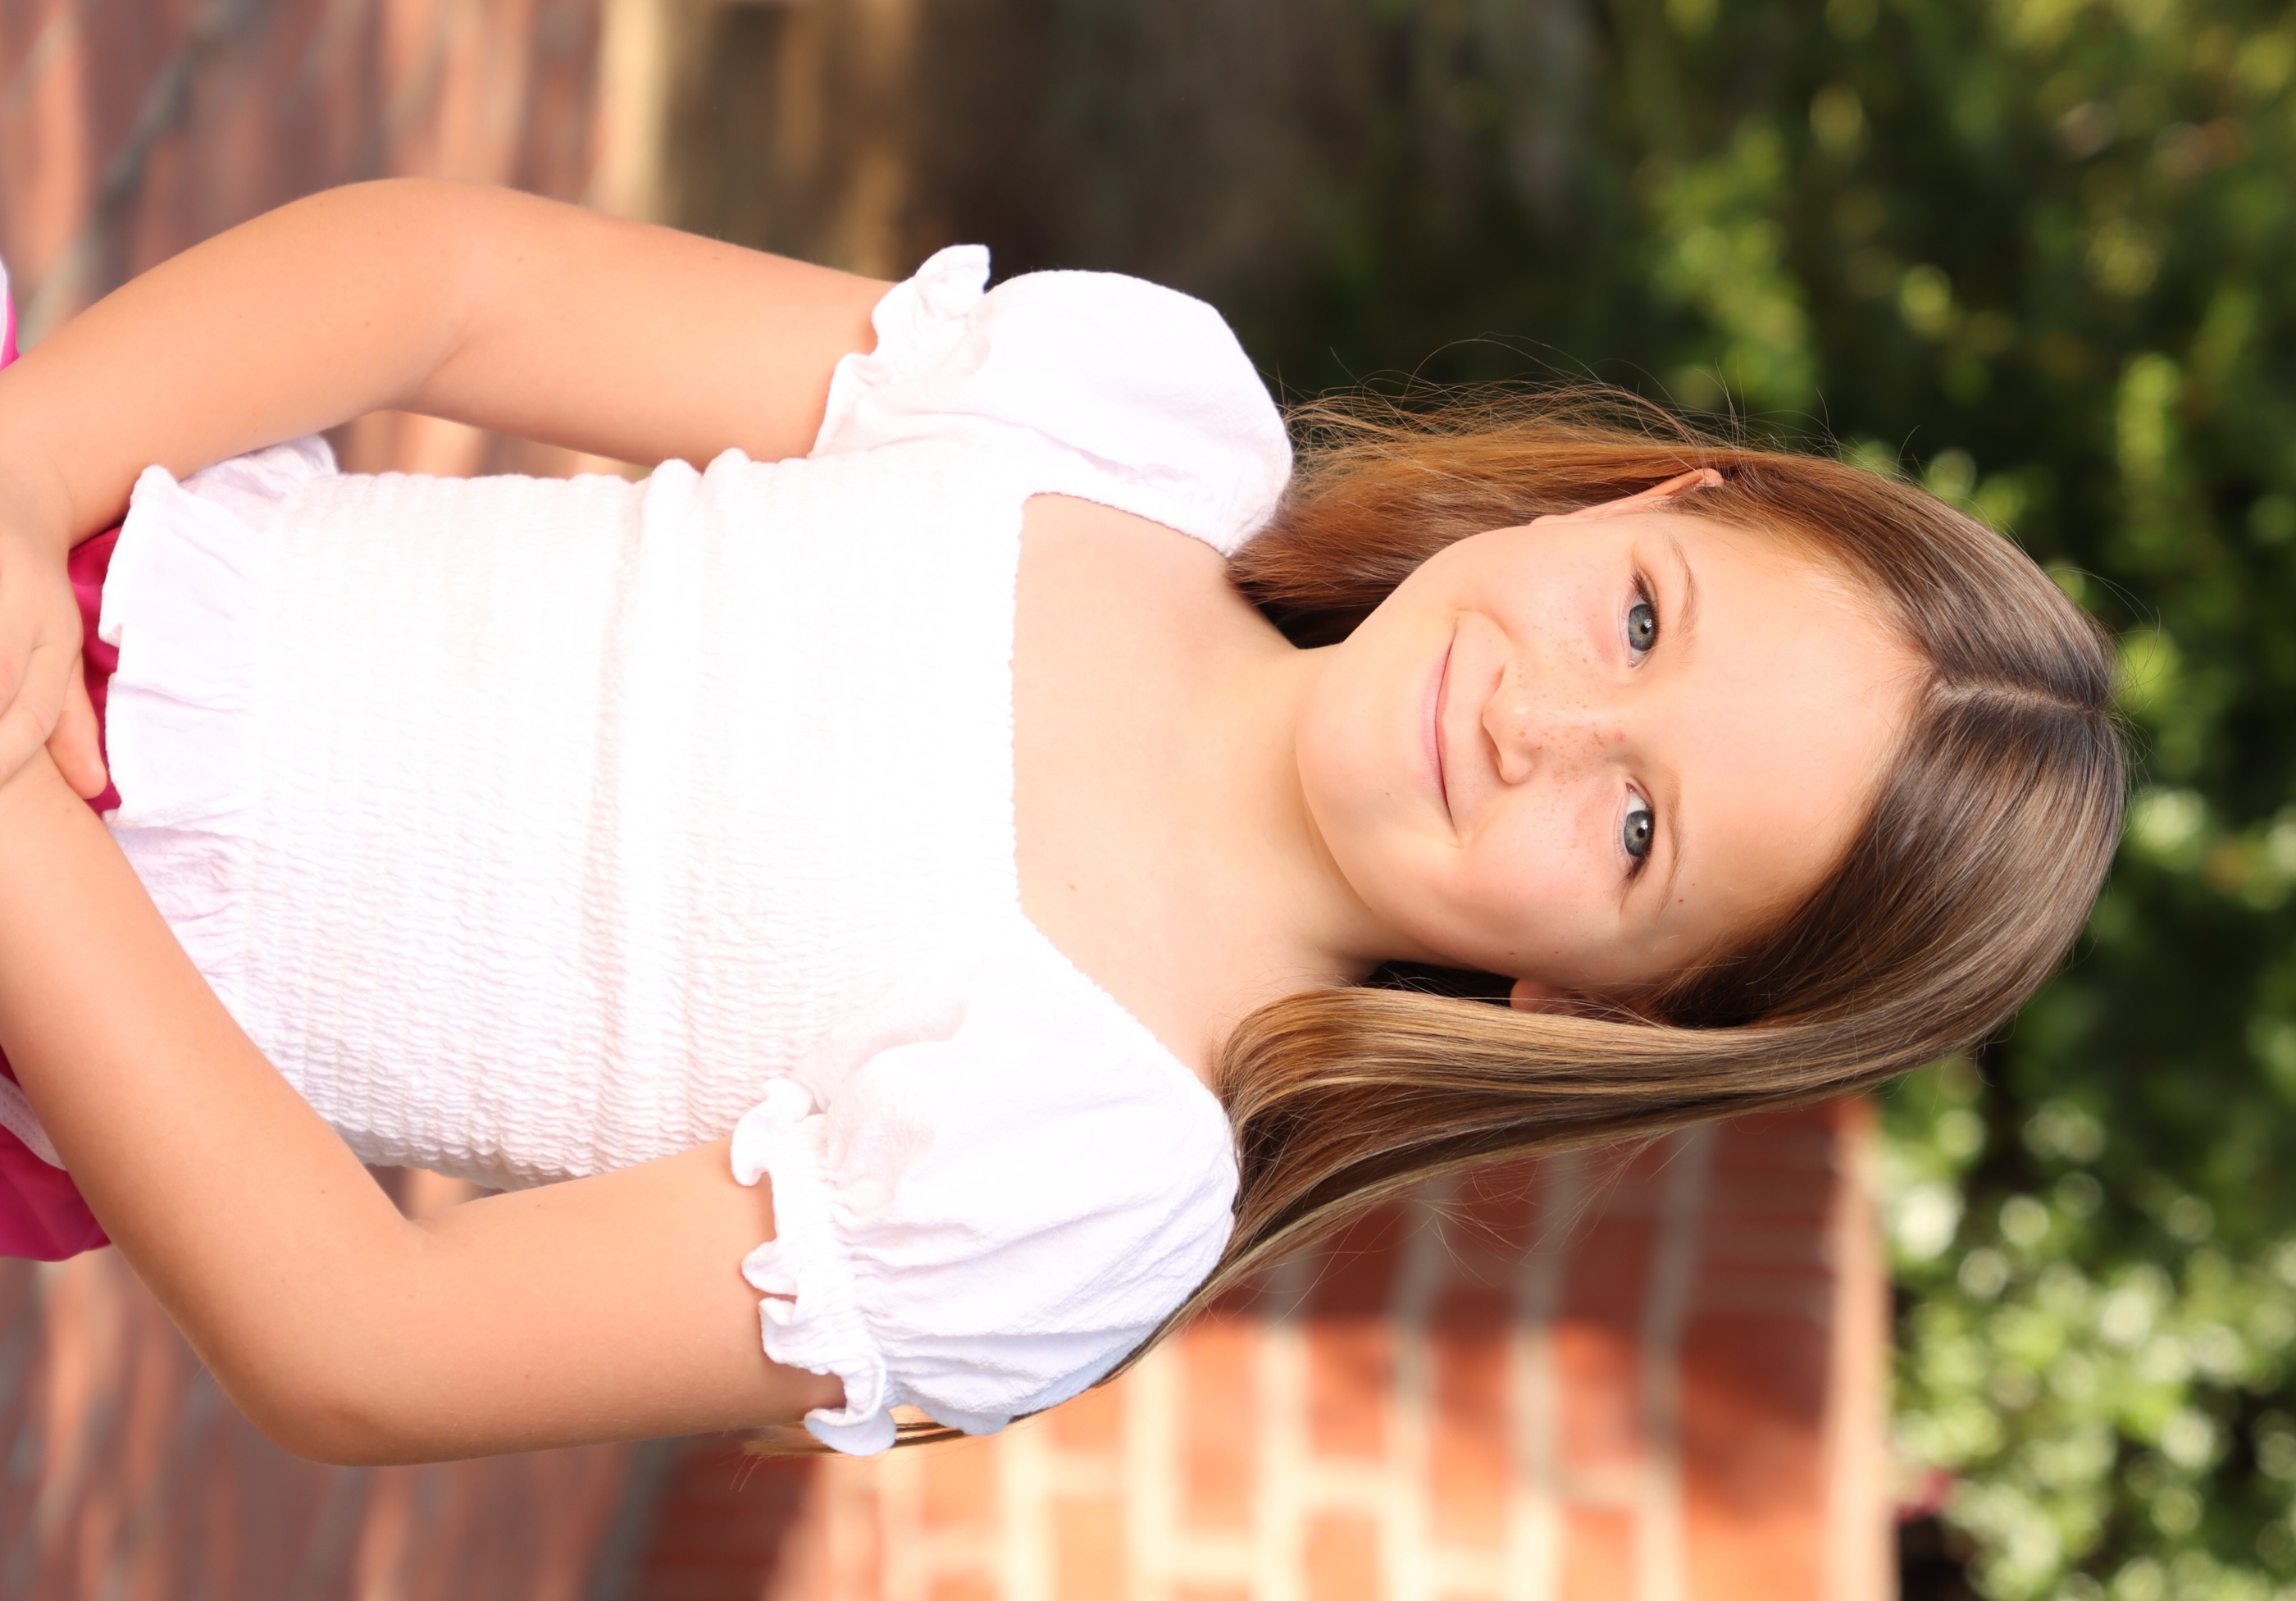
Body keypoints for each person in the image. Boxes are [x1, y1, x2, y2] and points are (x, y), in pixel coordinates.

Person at [0, 179, 2122, 1464]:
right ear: (1651, 496)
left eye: (1639, 832)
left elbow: (368, 1349)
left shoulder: (1084, 1176)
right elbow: (465, 282)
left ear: (1618, 1013)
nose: (1542, 719)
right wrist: (24, 480)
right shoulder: (1125, 428)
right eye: (1642, 618)